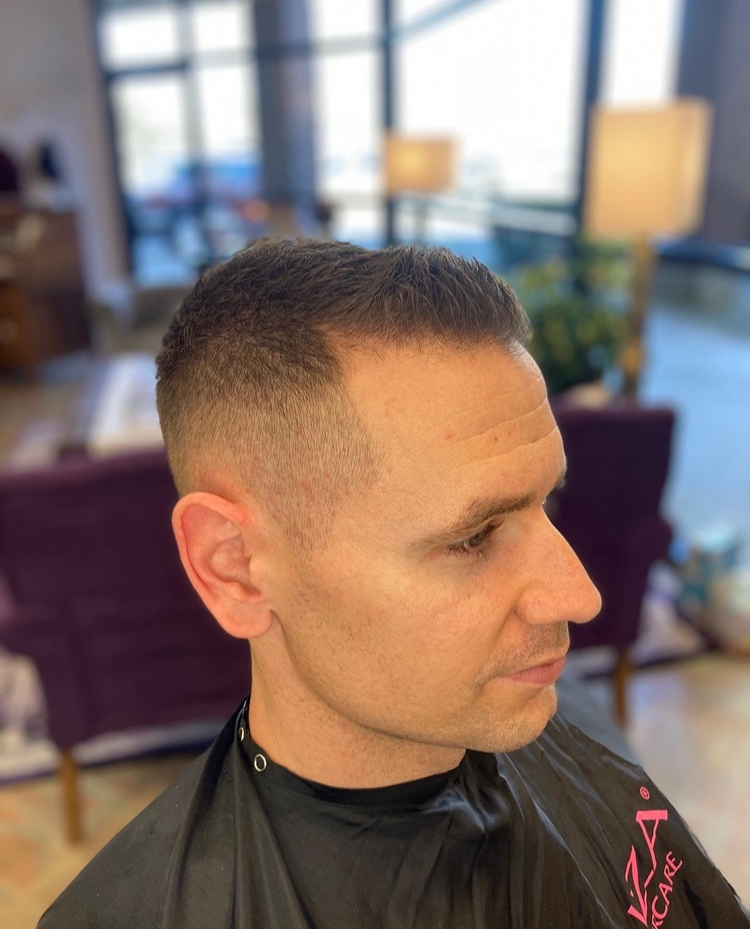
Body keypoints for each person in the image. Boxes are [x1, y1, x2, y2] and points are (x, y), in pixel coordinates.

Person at [39, 240, 748, 928]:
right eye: (471, 537)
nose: (579, 596)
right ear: (236, 565)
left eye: (546, 503)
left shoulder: (575, 729)